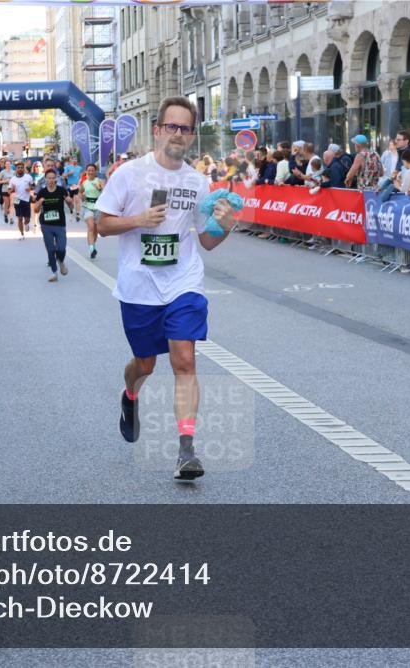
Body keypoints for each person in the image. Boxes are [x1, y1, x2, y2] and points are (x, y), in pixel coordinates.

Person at [96, 96, 238, 481]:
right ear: (157, 131)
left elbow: (206, 241)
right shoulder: (128, 174)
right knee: (145, 364)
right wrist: (139, 219)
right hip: (139, 287)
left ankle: (186, 451)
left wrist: (225, 225)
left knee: (185, 360)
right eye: (171, 127)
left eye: (185, 129)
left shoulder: (197, 181)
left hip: (183, 282)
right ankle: (130, 396)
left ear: (192, 137)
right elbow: (102, 225)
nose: (178, 134)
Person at [32, 168, 74, 282]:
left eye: (52, 178)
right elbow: (35, 210)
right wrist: (39, 203)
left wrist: (70, 202)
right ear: (45, 179)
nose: (51, 180)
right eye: (48, 178)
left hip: (60, 224)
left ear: (56, 179)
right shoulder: (42, 192)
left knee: (61, 248)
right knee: (50, 249)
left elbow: (71, 204)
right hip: (46, 225)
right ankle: (54, 272)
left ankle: (61, 261)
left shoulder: (61, 191)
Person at [81, 163, 105, 257]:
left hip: (98, 207)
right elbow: (80, 193)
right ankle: (91, 249)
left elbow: (105, 192)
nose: (90, 172)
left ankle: (93, 246)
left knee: (95, 230)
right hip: (88, 207)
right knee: (91, 227)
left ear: (95, 172)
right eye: (89, 170)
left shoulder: (100, 181)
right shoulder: (84, 183)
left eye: (92, 170)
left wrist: (99, 188)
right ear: (86, 172)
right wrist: (82, 196)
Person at [8, 161, 35, 240]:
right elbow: (9, 190)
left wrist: (30, 188)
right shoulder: (13, 179)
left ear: (24, 169)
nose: (20, 169)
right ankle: (22, 234)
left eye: (21, 168)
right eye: (18, 168)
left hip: (26, 199)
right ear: (16, 169)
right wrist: (11, 190)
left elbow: (33, 186)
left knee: (27, 219)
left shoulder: (28, 177)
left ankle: (26, 224)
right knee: (19, 218)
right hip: (17, 199)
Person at [62, 156, 82, 221]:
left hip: (77, 185)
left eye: (75, 159)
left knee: (77, 199)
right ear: (71, 160)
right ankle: (71, 212)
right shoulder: (67, 168)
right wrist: (69, 173)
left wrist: (79, 184)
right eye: (73, 159)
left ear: (77, 161)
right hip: (69, 186)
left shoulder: (80, 168)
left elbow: (81, 177)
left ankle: (78, 214)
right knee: (71, 201)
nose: (74, 160)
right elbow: (63, 176)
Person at [0, 159, 12, 224]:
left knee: (12, 204)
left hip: (12, 190)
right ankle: (5, 215)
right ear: (5, 165)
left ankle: (10, 215)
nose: (8, 165)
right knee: (7, 202)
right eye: (7, 164)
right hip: (4, 189)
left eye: (9, 164)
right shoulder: (2, 172)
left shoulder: (13, 172)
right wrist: (5, 181)